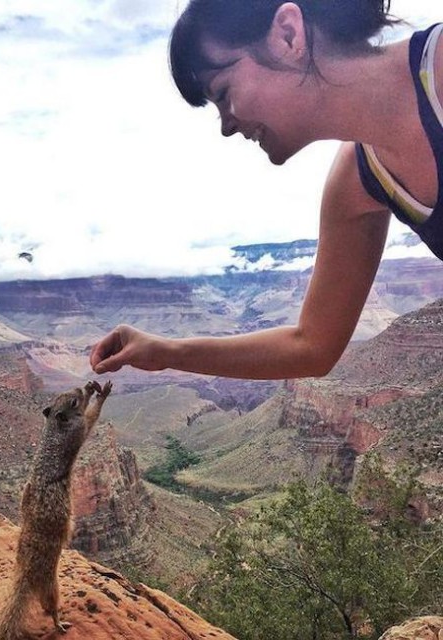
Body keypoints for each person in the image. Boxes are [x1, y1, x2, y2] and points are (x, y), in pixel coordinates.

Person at [90, 0, 443, 381]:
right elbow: (311, 346)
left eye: (223, 93)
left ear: (287, 34)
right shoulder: (358, 182)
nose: (226, 126)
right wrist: (163, 351)